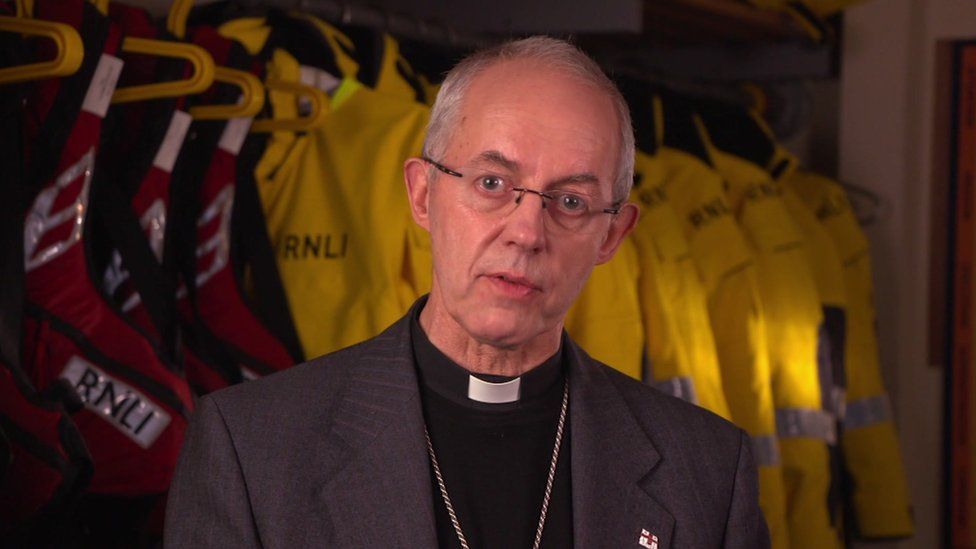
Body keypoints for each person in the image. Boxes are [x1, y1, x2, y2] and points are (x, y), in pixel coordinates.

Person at [164, 36, 770, 548]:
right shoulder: (250, 449)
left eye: (571, 202)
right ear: (423, 194)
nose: (527, 232)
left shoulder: (710, 472)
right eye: (491, 182)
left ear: (613, 233)